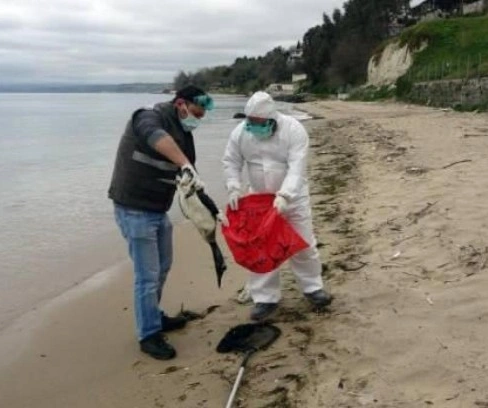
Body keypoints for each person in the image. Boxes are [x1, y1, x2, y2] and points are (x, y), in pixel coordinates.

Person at [108, 85, 215, 360]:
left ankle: (153, 316)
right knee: (147, 275)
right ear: (181, 104)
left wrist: (212, 211)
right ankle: (149, 335)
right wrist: (184, 163)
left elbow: (192, 181)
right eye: (195, 113)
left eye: (201, 116)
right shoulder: (147, 117)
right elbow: (156, 139)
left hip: (158, 210)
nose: (197, 119)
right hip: (133, 209)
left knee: (163, 267)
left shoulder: (185, 134)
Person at [222, 91, 332, 321]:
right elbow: (232, 161)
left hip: (292, 198)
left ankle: (313, 288)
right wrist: (233, 186)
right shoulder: (241, 132)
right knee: (260, 248)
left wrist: (285, 195)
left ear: (272, 119)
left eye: (259, 123)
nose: (254, 127)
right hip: (259, 200)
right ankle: (265, 298)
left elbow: (297, 167)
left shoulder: (293, 130)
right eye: (250, 122)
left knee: (303, 243)